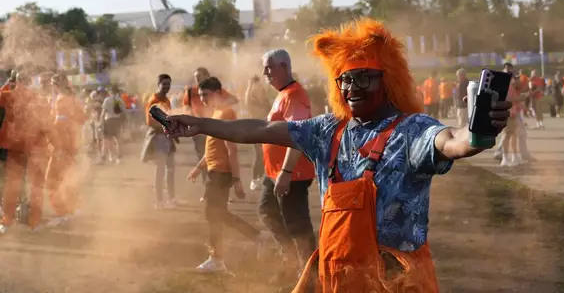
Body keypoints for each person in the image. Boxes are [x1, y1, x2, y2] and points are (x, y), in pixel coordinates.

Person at [164, 18, 511, 292]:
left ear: (388, 81)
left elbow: (450, 141)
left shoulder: (411, 129)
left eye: (364, 78)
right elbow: (260, 130)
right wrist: (200, 124)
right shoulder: (328, 130)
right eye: (345, 79)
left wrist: (477, 134)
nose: (352, 88)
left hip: (396, 283)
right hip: (336, 278)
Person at [188, 76, 265, 274]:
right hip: (214, 170)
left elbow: (232, 150)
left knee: (213, 214)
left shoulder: (226, 113)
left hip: (221, 173)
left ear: (217, 92)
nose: (203, 99)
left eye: (206, 94)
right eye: (200, 95)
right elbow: (211, 148)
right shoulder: (216, 113)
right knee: (217, 213)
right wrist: (199, 167)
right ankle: (257, 237)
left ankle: (217, 259)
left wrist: (237, 180)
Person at [256, 48, 317, 286]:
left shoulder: (295, 95)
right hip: (275, 173)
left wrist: (286, 171)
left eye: (269, 67)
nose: (265, 72)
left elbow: (299, 135)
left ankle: (310, 278)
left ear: (284, 66)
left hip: (291, 174)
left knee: (297, 225)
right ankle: (292, 260)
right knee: (266, 211)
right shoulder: (283, 93)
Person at [0, 69, 51, 234]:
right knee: (36, 185)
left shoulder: (8, 94)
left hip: (15, 146)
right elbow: (46, 123)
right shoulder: (39, 98)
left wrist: (8, 83)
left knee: (12, 184)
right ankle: (34, 222)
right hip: (35, 146)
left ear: (16, 81)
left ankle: (7, 221)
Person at [46, 74, 87, 227]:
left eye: (52, 83)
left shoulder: (61, 100)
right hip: (71, 146)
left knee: (51, 181)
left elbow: (59, 125)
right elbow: (83, 118)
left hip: (60, 148)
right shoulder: (73, 99)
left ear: (56, 85)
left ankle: (62, 214)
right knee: (68, 178)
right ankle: (75, 210)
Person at [140, 74, 177, 209]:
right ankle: (159, 201)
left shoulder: (166, 100)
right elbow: (150, 122)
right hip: (158, 138)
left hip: (167, 137)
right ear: (158, 84)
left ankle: (171, 199)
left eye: (168, 84)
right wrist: (167, 126)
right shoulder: (154, 100)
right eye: (164, 84)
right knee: (160, 169)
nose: (167, 86)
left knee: (170, 169)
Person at [244, 75, 271, 191]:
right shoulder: (251, 98)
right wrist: (250, 85)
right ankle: (255, 179)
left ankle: (260, 177)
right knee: (259, 154)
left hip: (265, 126)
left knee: (265, 154)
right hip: (255, 127)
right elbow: (247, 101)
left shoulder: (263, 97)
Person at [100, 85, 125, 165]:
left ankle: (104, 157)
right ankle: (119, 157)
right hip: (117, 121)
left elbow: (103, 113)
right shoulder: (120, 100)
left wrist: (101, 122)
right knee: (118, 140)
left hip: (109, 120)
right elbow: (123, 112)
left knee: (106, 140)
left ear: (110, 91)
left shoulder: (107, 100)